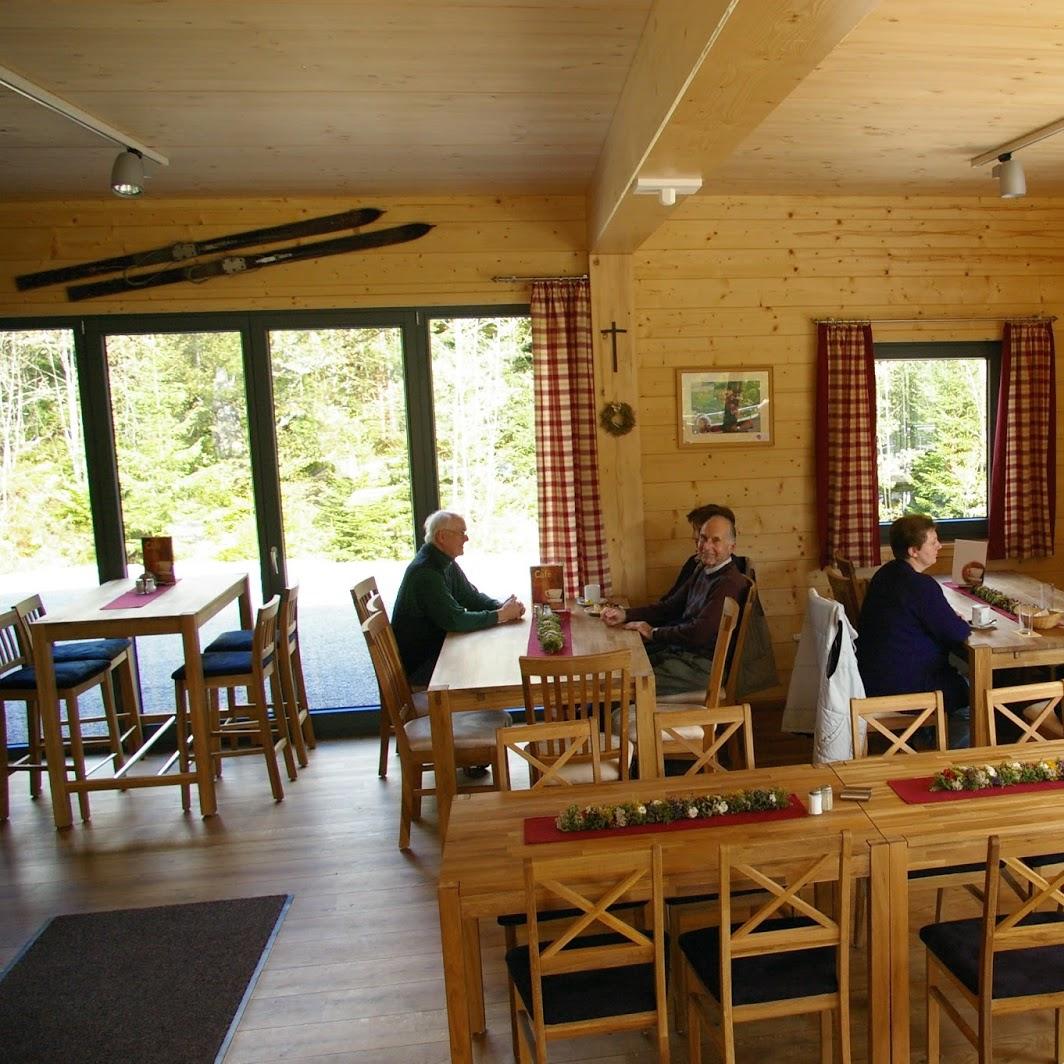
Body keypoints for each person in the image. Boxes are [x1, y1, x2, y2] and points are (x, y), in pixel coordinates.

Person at [601, 513, 749, 696]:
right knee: (618, 668)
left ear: (731, 547)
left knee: (620, 684)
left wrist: (652, 632)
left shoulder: (728, 583)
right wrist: (625, 614)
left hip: (702, 667)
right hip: (682, 654)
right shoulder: (704, 570)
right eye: (703, 538)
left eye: (715, 540)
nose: (706, 546)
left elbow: (699, 633)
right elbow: (669, 607)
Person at [856, 514, 971, 747]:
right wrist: (956, 621)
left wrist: (944, 620)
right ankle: (954, 758)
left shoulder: (885, 574)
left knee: (958, 670)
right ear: (913, 551)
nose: (939, 546)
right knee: (971, 694)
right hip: (903, 685)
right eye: (932, 542)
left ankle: (924, 736)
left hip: (873, 677)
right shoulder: (920, 585)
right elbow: (956, 633)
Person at [391, 510, 525, 685]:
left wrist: (501, 606)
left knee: (489, 658)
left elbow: (470, 597)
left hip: (439, 651)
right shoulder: (426, 572)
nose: (466, 539)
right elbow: (455, 620)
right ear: (442, 537)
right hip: (424, 666)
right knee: (491, 670)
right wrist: (501, 615)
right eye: (461, 533)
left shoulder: (443, 561)